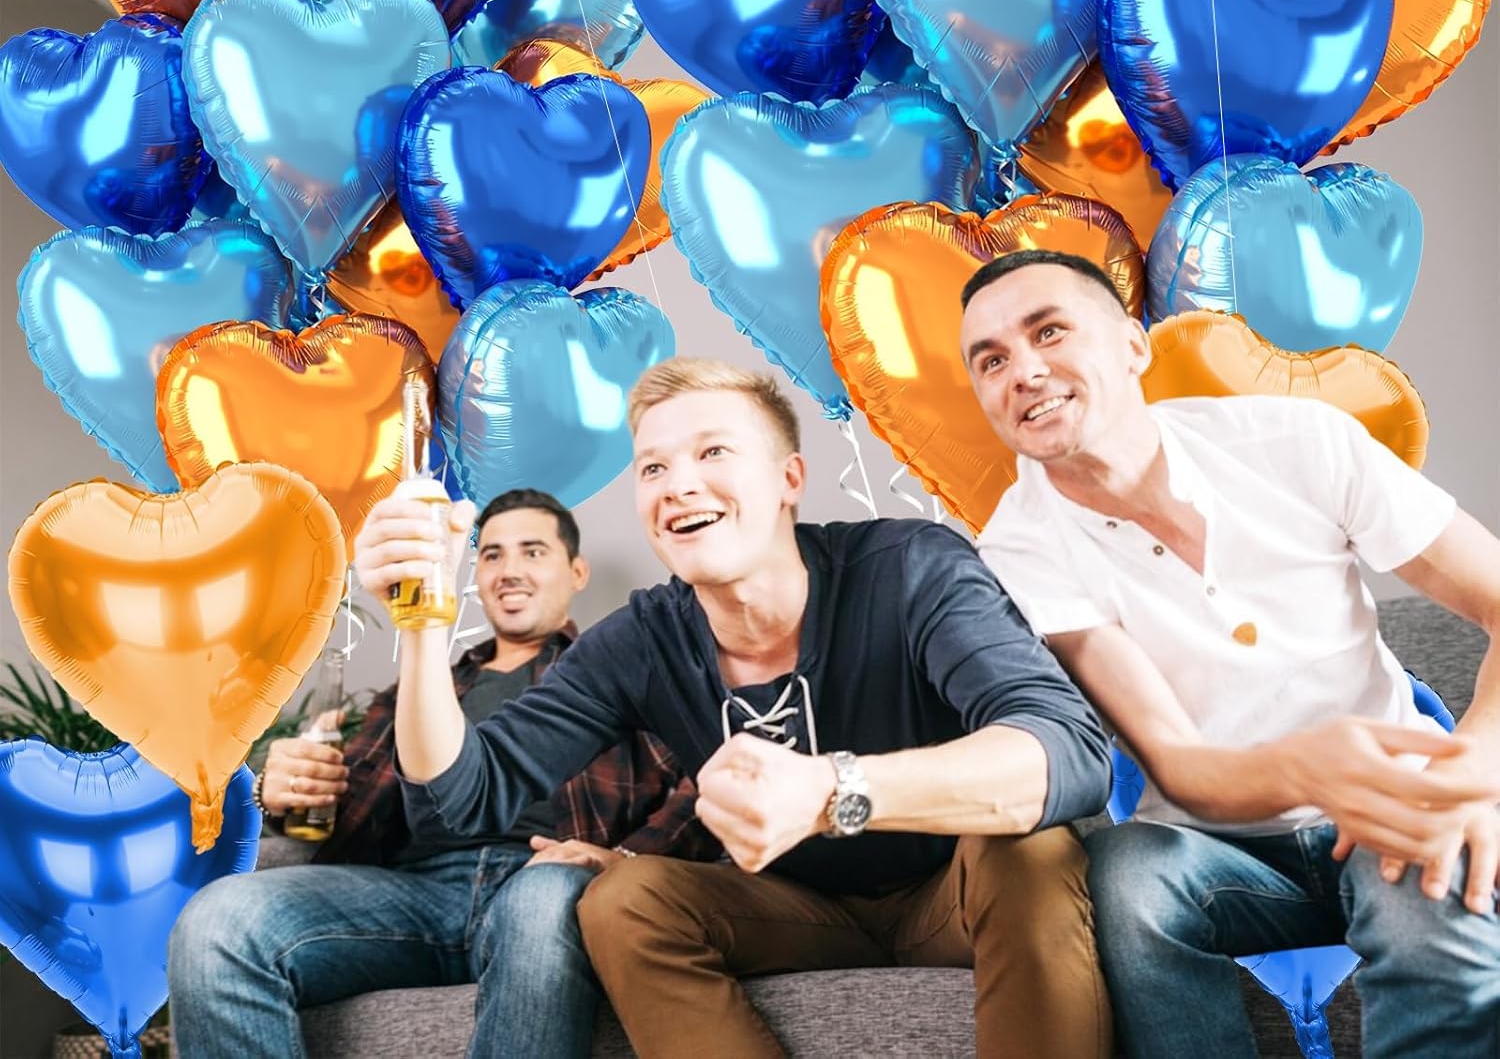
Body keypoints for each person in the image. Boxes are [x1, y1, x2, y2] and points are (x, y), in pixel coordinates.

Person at [355, 356, 1115, 1059]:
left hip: (952, 893)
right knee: (624, 899)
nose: (678, 485)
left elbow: (1069, 750)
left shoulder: (910, 567)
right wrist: (423, 627)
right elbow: (458, 798)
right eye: (654, 467)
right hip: (795, 912)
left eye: (713, 452)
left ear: (790, 478)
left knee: (1030, 846)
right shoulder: (644, 639)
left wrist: (834, 790)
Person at [959, 248, 1500, 1059]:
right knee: (1127, 875)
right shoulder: (1016, 551)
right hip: (1220, 852)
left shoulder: (1297, 440)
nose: (1024, 372)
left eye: (1049, 332)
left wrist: (1473, 773)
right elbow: (1178, 763)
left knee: (1428, 884)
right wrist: (1307, 769)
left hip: (1389, 804)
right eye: (992, 361)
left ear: (1132, 346)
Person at [169, 488, 710, 1059]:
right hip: (414, 892)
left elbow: (704, 781)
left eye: (532, 551)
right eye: (492, 555)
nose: (509, 570)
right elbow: (348, 810)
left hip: (542, 881)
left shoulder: (620, 673)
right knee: (217, 922)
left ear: (577, 572)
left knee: (543, 898)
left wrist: (625, 859)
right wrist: (281, 791)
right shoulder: (418, 689)